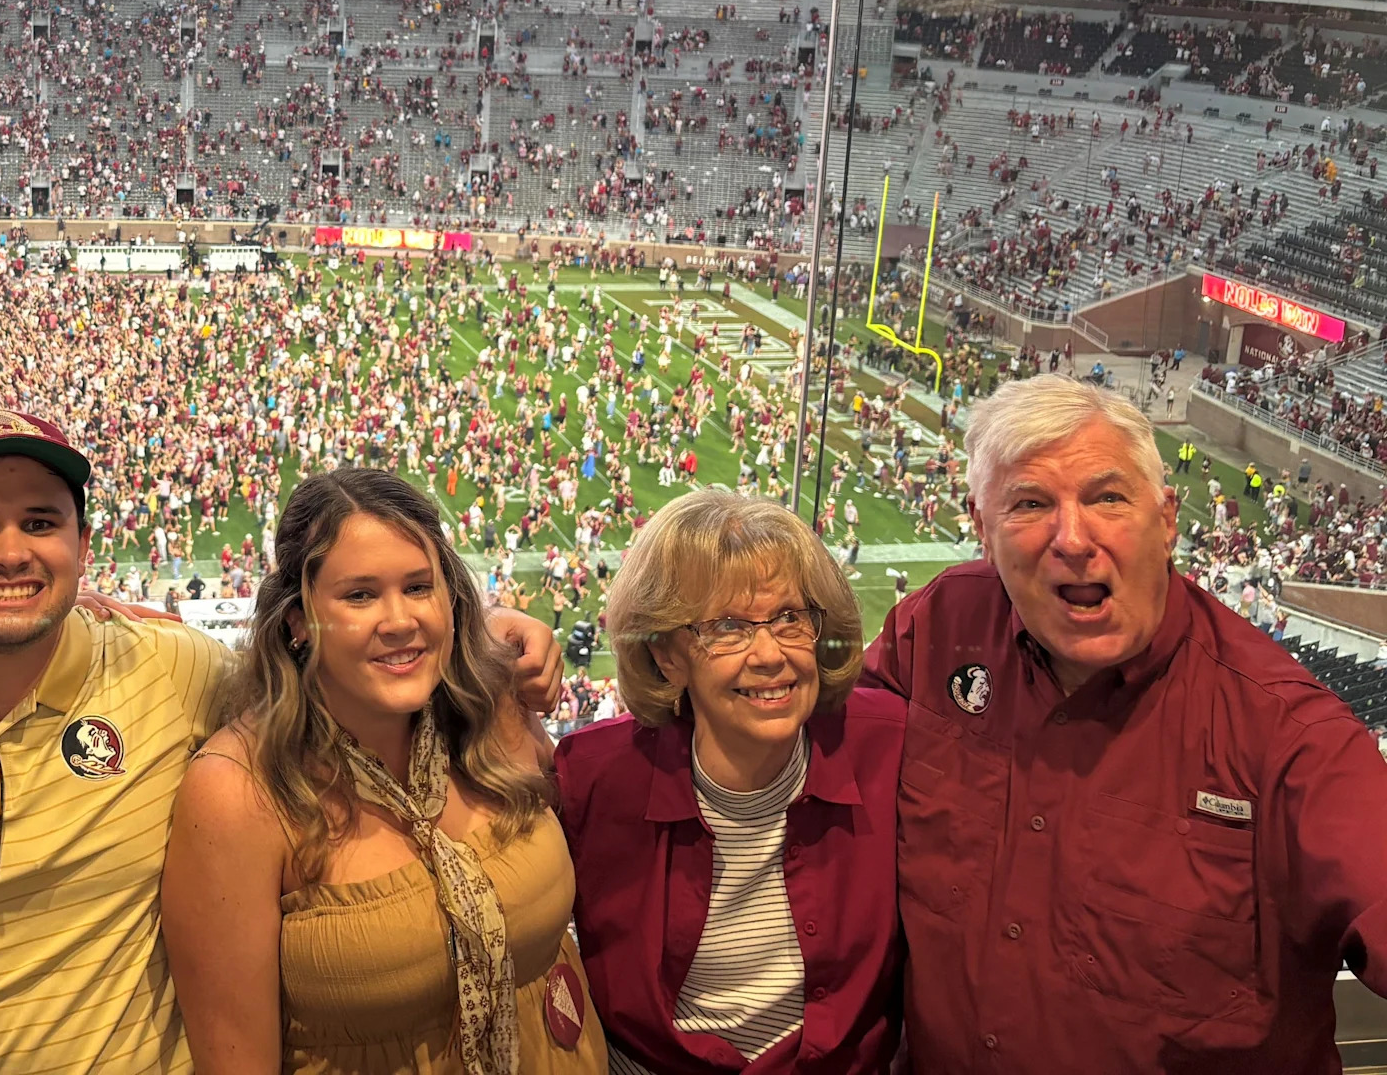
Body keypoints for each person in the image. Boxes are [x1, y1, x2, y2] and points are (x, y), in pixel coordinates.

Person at [0, 410, 560, 1074]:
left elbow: (319, 661)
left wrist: (482, 630)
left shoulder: (171, 668)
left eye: (40, 523)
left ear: (82, 545)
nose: (12, 552)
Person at [863, 374, 1387, 1071]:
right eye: (1030, 504)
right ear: (981, 529)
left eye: (1107, 497)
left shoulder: (1287, 734)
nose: (1073, 539)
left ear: (1167, 518)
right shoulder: (937, 629)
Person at [163, 465, 606, 1074]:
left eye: (419, 587)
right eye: (360, 595)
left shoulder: (492, 709)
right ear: (298, 620)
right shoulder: (239, 793)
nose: (399, 621)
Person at [556, 490, 903, 1075]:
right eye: (727, 627)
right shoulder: (590, 777)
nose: (769, 654)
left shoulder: (891, 747)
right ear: (667, 657)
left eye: (789, 617)